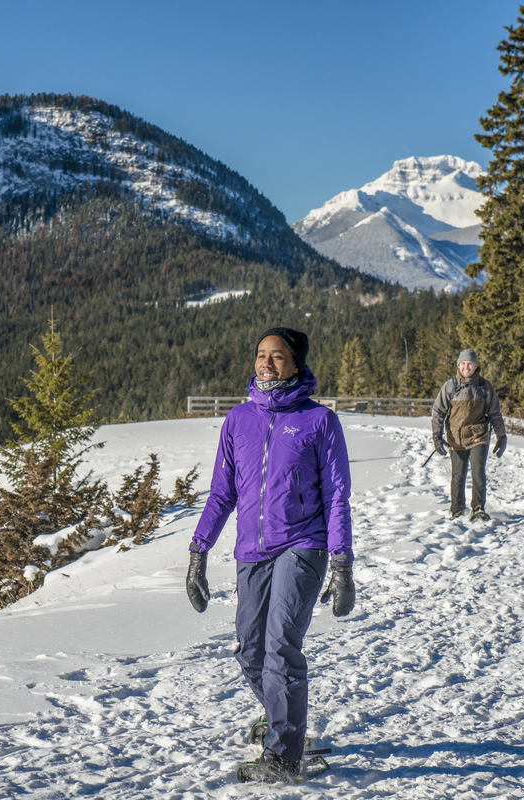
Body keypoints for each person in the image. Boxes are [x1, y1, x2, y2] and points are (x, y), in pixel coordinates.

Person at [184, 327, 354, 784]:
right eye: (261, 355)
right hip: (251, 551)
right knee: (250, 649)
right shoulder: (238, 420)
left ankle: (284, 754)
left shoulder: (319, 421)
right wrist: (198, 551)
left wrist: (342, 563)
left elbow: (338, 494)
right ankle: (282, 718)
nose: (267, 363)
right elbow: (222, 492)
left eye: (278, 357)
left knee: (280, 644)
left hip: (304, 544)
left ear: (297, 364)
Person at [430, 349, 507, 521]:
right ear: (458, 365)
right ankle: (457, 509)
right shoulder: (450, 386)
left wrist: (501, 436)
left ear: (476, 366)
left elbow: (495, 413)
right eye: (463, 364)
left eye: (470, 364)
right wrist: (437, 436)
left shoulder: (485, 387)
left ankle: (478, 508)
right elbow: (438, 412)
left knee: (478, 471)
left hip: (478, 436)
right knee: (458, 474)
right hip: (455, 438)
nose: (466, 367)